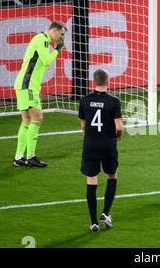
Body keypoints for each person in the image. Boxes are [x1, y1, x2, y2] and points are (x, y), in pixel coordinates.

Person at [12, 21, 67, 167]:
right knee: (37, 118)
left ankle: (18, 157)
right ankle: (30, 156)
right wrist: (57, 50)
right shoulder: (42, 40)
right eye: (61, 35)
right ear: (54, 31)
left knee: (26, 121)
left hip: (26, 85)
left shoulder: (42, 41)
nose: (61, 39)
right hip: (27, 85)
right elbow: (47, 60)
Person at [78, 69, 124, 232]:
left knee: (92, 180)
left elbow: (83, 125)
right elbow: (119, 126)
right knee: (111, 176)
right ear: (108, 81)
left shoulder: (84, 100)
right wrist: (118, 136)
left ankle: (93, 222)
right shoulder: (114, 101)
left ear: (94, 82)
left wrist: (89, 137)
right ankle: (105, 213)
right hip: (108, 145)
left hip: (90, 146)